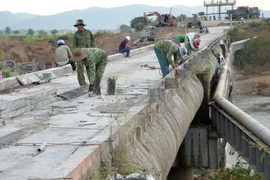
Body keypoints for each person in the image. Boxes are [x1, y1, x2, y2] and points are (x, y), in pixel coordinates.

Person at [72, 19, 96, 86]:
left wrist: (94, 50)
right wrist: (75, 54)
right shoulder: (76, 34)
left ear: (82, 25)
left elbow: (93, 42)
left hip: (88, 53)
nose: (78, 27)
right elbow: (74, 45)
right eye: (77, 26)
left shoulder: (88, 32)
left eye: (79, 25)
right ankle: (82, 84)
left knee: (90, 69)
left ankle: (92, 83)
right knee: (80, 70)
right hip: (79, 55)